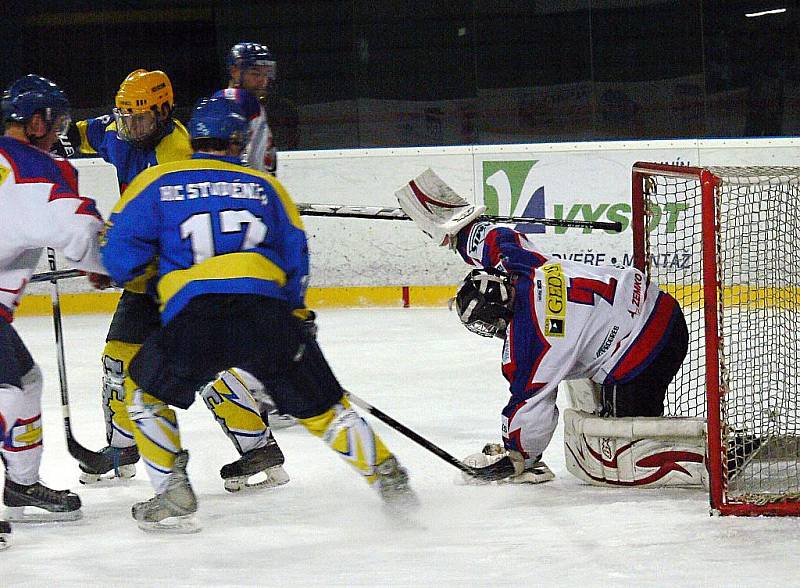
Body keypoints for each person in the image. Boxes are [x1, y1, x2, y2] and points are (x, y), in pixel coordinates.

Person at [99, 96, 416, 532]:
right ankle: (387, 477)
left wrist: (147, 271)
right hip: (266, 313)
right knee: (326, 407)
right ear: (239, 141)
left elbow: (118, 256)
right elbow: (295, 257)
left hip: (197, 317)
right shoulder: (266, 186)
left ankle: (172, 490)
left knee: (144, 397)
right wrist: (296, 313)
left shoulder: (159, 180)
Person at [396, 169, 699, 487]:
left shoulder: (530, 343)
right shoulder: (521, 262)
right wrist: (450, 225)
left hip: (645, 354)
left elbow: (529, 407)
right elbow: (487, 236)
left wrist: (517, 457)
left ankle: (717, 452)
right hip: (662, 308)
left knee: (629, 449)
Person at [59, 69, 287, 492]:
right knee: (117, 359)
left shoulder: (179, 154)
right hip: (146, 281)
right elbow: (76, 133)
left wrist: (119, 258)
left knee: (204, 364)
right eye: (126, 119)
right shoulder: (119, 132)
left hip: (183, 277)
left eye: (140, 119)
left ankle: (259, 447)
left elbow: (177, 227)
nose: (132, 128)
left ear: (163, 113)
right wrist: (48, 147)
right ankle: (123, 449)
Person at [0, 75, 106, 524]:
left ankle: (21, 485)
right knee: (4, 393)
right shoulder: (34, 167)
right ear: (37, 122)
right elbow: (78, 226)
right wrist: (112, 262)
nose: (61, 133)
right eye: (57, 122)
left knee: (25, 381)